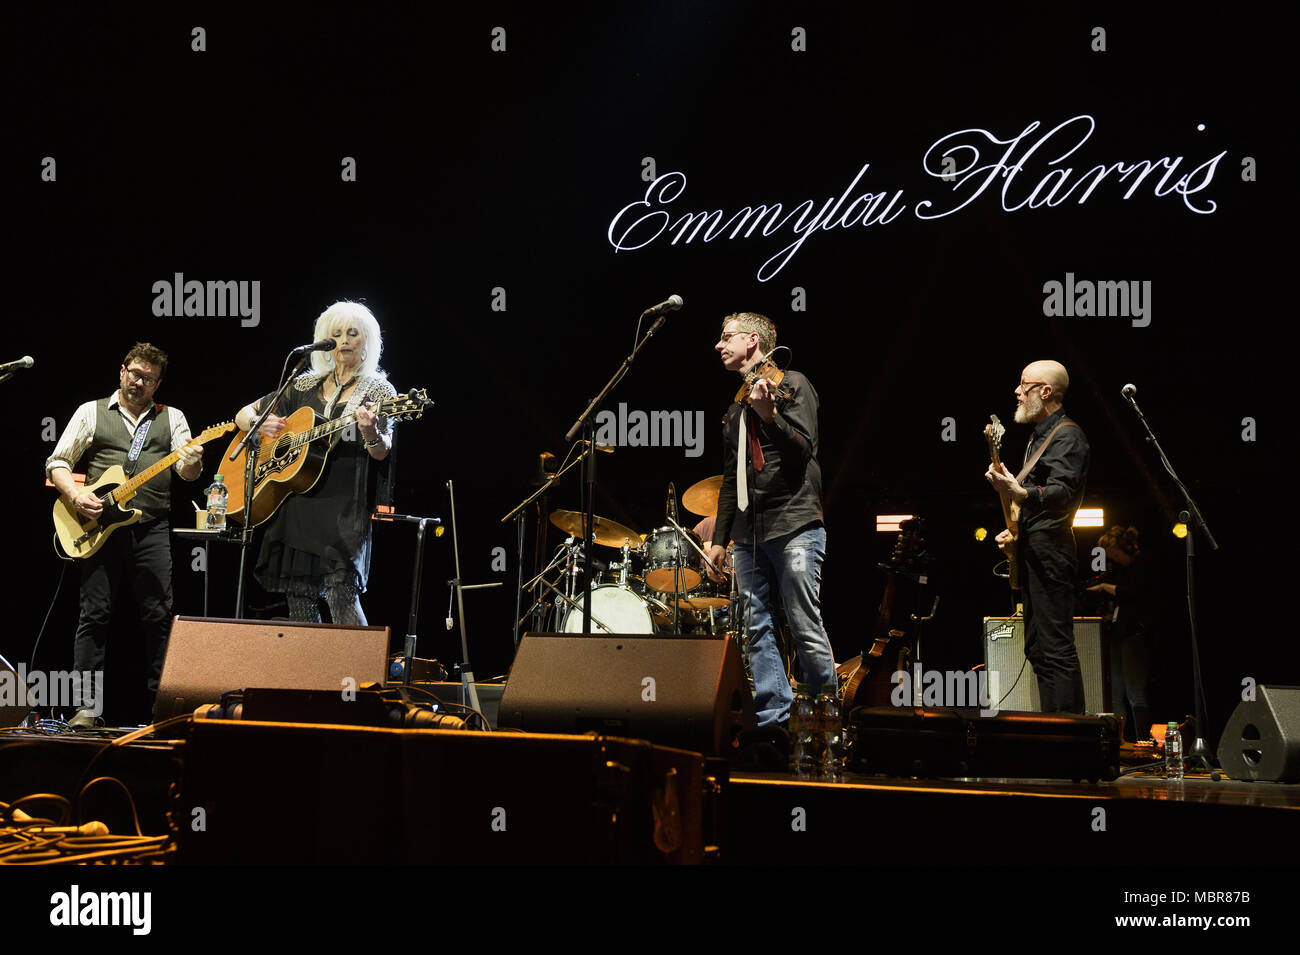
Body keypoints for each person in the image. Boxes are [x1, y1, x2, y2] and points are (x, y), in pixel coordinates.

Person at [46, 343, 204, 726]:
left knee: (159, 617)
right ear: (122, 371)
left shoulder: (173, 417)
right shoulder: (92, 411)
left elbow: (187, 475)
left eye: (148, 379)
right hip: (99, 530)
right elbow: (57, 462)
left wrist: (193, 463)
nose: (139, 382)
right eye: (134, 373)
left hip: (151, 527)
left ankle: (161, 712)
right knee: (94, 615)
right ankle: (86, 709)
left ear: (158, 384)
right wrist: (77, 494)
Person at [705, 312, 833, 727]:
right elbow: (731, 479)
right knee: (755, 627)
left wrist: (769, 416)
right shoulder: (735, 408)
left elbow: (803, 453)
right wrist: (718, 539)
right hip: (748, 534)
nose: (719, 346)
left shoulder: (792, 383)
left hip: (795, 524)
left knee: (802, 622)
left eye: (727, 338)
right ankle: (774, 719)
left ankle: (822, 715)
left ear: (753, 341)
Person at [235, 301, 395, 625]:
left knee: (341, 597)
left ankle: (361, 673)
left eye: (353, 333)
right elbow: (242, 414)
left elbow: (382, 451)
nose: (345, 340)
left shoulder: (378, 389)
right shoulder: (303, 384)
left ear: (368, 342)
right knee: (301, 604)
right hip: (297, 503)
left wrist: (371, 431)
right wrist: (257, 422)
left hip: (344, 508)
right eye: (336, 334)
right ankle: (314, 675)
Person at [985, 359, 1090, 713]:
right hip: (1033, 549)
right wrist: (1014, 529)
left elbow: (1062, 493)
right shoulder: (1037, 437)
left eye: (1024, 385)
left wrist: (1021, 493)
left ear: (1045, 391)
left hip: (1052, 553)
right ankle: (1054, 733)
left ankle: (1072, 738)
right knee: (1038, 649)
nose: (1017, 391)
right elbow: (1034, 503)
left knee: (1056, 648)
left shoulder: (1069, 435)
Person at [1089, 525, 1156, 741]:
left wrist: (1104, 588)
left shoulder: (1142, 564)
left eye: (1113, 554)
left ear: (1118, 549)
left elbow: (1133, 593)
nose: (1112, 559)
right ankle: (1119, 741)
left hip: (1134, 634)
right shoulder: (1121, 569)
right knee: (1116, 692)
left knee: (1134, 690)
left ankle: (1144, 740)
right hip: (1119, 633)